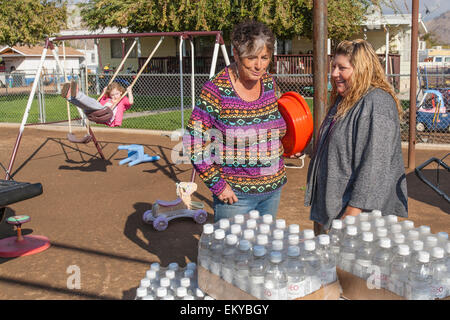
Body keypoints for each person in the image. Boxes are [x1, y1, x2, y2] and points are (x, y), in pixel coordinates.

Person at [184, 20, 287, 222]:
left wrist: (291, 144)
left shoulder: (269, 83)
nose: (259, 66)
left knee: (262, 250)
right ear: (236, 53)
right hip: (236, 197)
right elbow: (192, 140)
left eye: (265, 58)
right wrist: (218, 185)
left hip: (273, 189)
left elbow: (275, 127)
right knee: (231, 253)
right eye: (251, 58)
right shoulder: (216, 90)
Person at [304, 39, 408, 234]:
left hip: (359, 219)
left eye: (342, 68)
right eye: (334, 66)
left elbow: (375, 164)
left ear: (361, 70)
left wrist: (353, 212)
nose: (334, 73)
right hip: (337, 211)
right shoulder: (347, 99)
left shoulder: (377, 103)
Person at [61, 81, 133, 127]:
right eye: (112, 95)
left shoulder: (122, 100)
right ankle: (70, 98)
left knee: (92, 102)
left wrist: (129, 92)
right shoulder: (108, 99)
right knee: (85, 106)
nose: (115, 96)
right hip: (97, 113)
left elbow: (130, 102)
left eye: (117, 94)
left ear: (121, 92)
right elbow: (101, 100)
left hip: (106, 114)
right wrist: (104, 92)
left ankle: (77, 94)